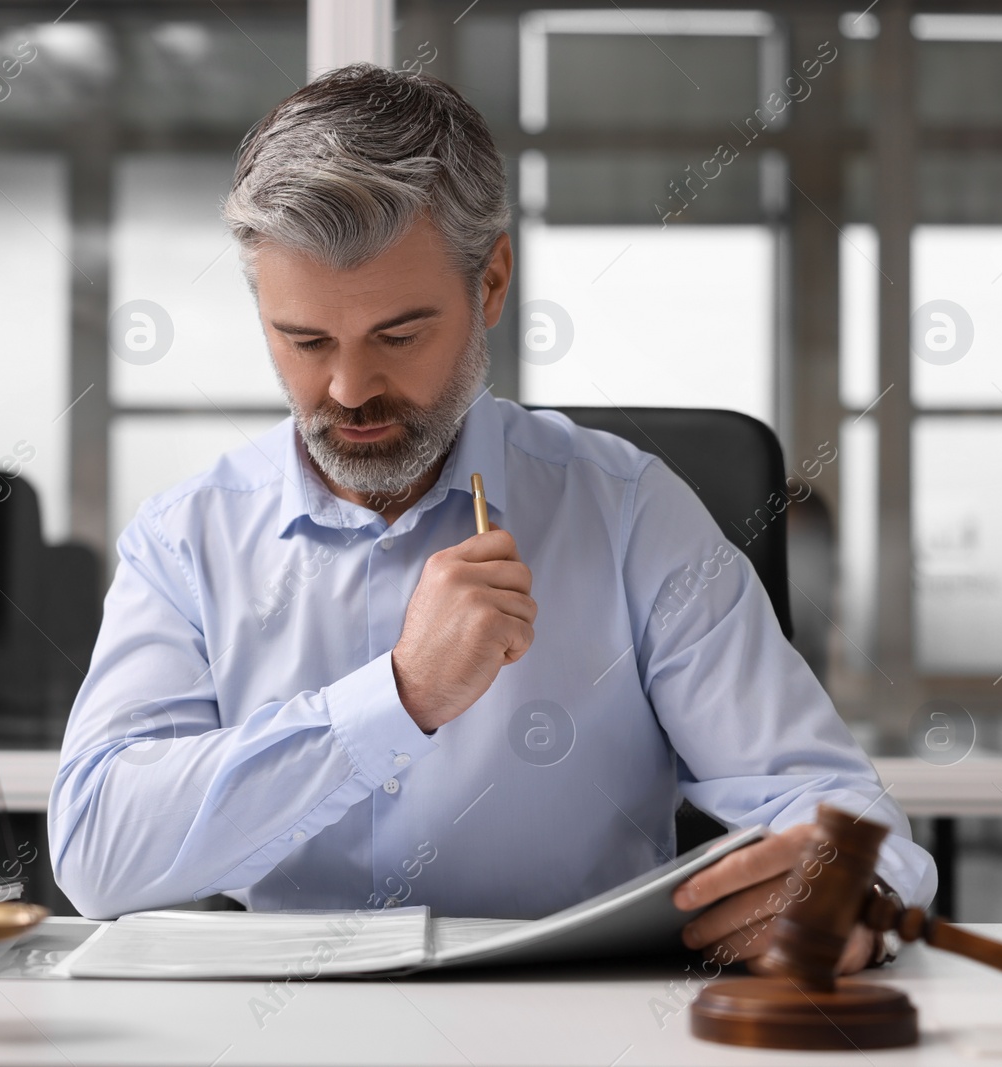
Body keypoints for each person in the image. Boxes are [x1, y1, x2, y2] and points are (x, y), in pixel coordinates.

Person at [49, 62, 935, 975]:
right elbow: (97, 854)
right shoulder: (186, 540)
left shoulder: (630, 512)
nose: (350, 390)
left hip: (579, 1024)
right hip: (288, 1032)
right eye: (305, 340)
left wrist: (843, 896)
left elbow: (830, 803)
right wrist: (397, 696)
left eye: (399, 335)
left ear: (493, 284)